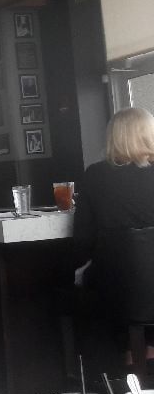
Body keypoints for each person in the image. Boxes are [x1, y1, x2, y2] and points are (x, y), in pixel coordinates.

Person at [73, 107, 154, 365]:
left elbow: (83, 238)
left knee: (103, 284)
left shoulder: (95, 175)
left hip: (116, 284)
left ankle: (128, 361)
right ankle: (148, 350)